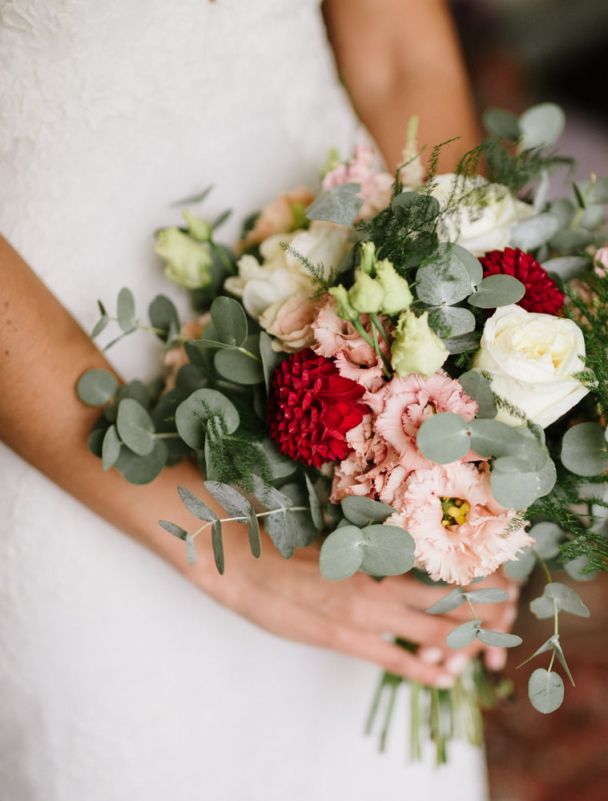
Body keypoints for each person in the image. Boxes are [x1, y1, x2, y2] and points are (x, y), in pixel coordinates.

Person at [0, 1, 517, 798]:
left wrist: (476, 359)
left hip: (349, 267)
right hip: (58, 388)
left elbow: (401, 50)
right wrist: (232, 560)